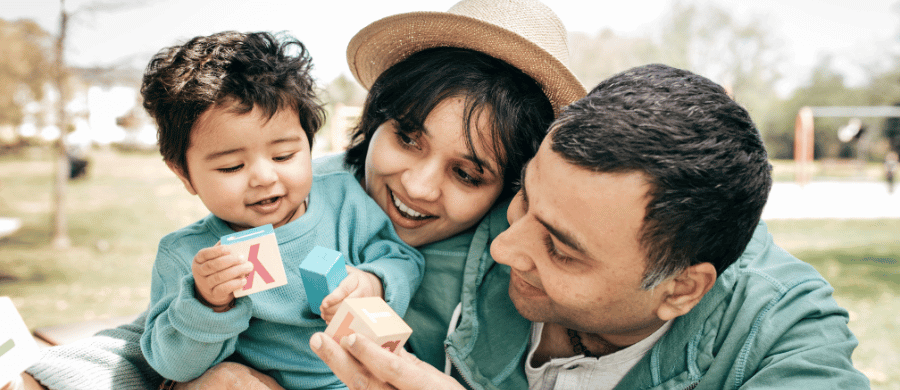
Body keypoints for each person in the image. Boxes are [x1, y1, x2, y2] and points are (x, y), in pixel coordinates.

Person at [9, 0, 584, 389]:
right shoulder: (324, 193)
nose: (417, 185)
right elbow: (148, 337)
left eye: (468, 174)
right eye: (407, 137)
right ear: (374, 120)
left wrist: (375, 283)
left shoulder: (520, 267)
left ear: (514, 187)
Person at [310, 64, 871, 389]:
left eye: (559, 248)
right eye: (524, 198)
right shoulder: (448, 213)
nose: (505, 247)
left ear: (681, 288)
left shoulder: (779, 335)